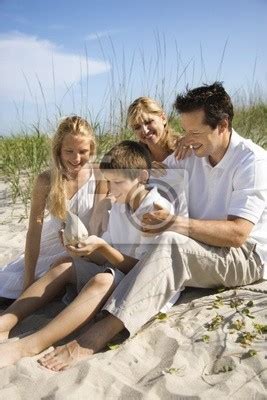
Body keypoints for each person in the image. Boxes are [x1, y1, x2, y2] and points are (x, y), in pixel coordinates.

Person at [36, 82, 266, 371]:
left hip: (245, 255)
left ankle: (101, 332)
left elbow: (238, 234)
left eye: (194, 132)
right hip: (203, 248)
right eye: (185, 131)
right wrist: (99, 211)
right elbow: (130, 171)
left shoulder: (251, 160)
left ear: (222, 125)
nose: (187, 139)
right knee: (161, 243)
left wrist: (174, 223)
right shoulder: (192, 153)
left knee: (172, 241)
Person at [0, 140, 174, 369]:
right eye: (109, 183)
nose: (111, 191)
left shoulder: (155, 210)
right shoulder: (121, 204)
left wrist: (102, 248)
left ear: (142, 177)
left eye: (117, 183)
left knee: (102, 279)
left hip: (134, 280)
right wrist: (84, 252)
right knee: (64, 264)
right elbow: (106, 254)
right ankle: (6, 321)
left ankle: (30, 344)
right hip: (115, 267)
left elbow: (144, 271)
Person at [0, 115, 107, 300]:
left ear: (92, 149)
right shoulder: (45, 180)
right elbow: (34, 231)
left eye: (83, 151)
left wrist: (83, 248)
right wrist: (28, 280)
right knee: (13, 288)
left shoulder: (99, 175)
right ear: (58, 150)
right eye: (69, 151)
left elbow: (98, 223)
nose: (76, 158)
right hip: (49, 246)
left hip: (84, 247)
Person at [127, 96, 179, 162]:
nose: (145, 130)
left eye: (148, 122)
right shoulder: (134, 158)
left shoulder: (184, 148)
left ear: (163, 118)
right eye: (137, 127)